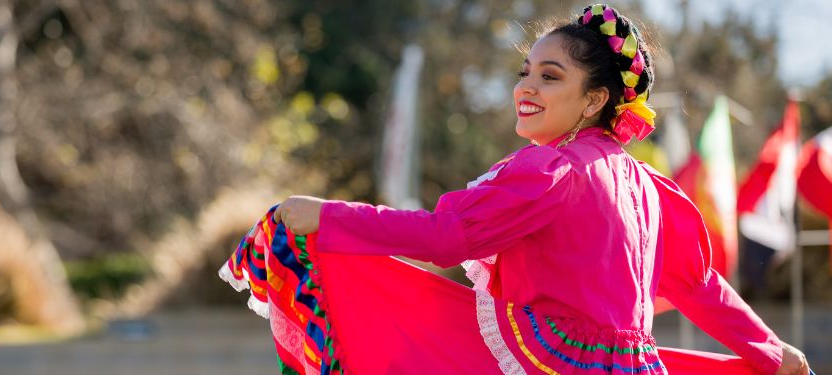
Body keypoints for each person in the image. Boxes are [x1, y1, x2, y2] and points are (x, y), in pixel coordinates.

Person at [268, 4, 809, 374]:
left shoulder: (553, 172)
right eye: (525, 71)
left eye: (550, 77)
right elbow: (699, 285)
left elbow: (446, 237)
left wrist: (328, 217)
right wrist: (771, 351)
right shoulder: (646, 186)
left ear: (595, 100)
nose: (525, 87)